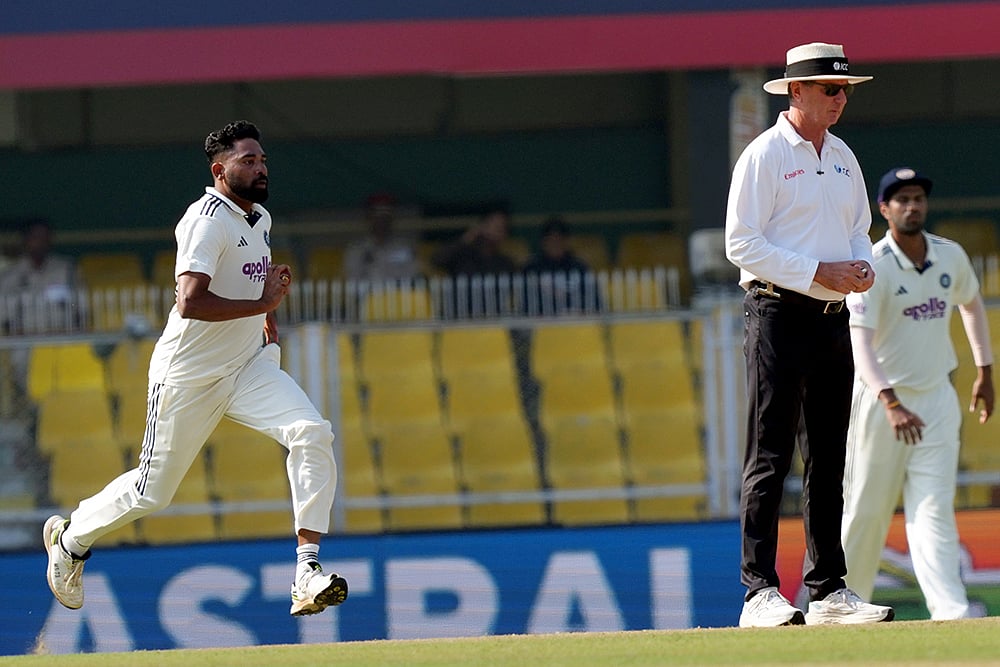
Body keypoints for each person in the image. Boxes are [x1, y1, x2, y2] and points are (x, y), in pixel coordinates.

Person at [42, 120, 348, 617]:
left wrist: (267, 314)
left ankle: (306, 573)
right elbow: (189, 301)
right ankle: (71, 540)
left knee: (312, 432)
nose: (260, 167)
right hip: (189, 375)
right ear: (219, 170)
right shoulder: (206, 218)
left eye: (263, 159)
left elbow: (254, 283)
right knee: (151, 493)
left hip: (248, 366)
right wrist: (262, 304)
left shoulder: (260, 219)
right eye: (247, 160)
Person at [725, 42, 893, 627]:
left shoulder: (844, 155)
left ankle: (826, 590)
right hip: (775, 314)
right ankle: (758, 592)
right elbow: (740, 244)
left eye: (843, 89)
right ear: (795, 91)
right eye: (829, 88)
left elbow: (855, 229)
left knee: (827, 456)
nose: (840, 98)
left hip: (829, 319)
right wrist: (819, 272)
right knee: (769, 454)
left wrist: (858, 266)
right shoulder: (764, 155)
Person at [842, 168, 994, 620]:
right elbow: (860, 344)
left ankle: (949, 607)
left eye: (918, 198)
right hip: (882, 404)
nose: (912, 206)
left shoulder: (950, 256)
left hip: (935, 398)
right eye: (901, 199)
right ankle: (842, 603)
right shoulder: (874, 265)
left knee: (933, 507)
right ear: (884, 209)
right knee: (865, 511)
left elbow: (972, 304)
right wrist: (891, 403)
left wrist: (984, 370)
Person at [0, 218, 83, 336]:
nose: (41, 242)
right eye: (35, 237)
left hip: (62, 338)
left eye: (45, 237)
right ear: (25, 240)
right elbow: (3, 317)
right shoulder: (9, 276)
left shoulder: (67, 270)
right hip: (23, 343)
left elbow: (80, 307)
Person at [522, 216, 598, 314]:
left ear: (567, 241)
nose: (555, 244)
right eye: (551, 240)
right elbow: (526, 304)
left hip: (574, 324)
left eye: (560, 239)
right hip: (541, 324)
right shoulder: (532, 268)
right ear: (543, 242)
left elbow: (594, 301)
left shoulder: (579, 267)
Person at [342, 193, 420, 283]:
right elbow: (352, 280)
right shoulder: (356, 250)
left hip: (398, 295)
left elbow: (413, 275)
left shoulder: (404, 248)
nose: (382, 220)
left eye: (386, 214)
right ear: (368, 217)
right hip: (368, 295)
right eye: (377, 214)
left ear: (392, 217)